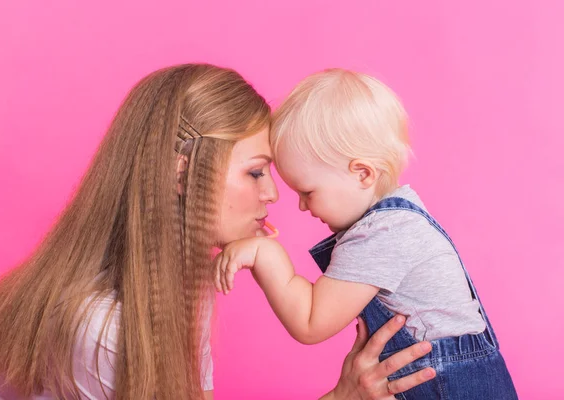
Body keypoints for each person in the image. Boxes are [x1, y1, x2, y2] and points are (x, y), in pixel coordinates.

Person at [0, 64, 435, 400]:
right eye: (255, 172)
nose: (274, 194)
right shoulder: (104, 324)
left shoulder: (180, 288)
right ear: (182, 172)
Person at [215, 68, 517, 399]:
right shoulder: (396, 220)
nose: (301, 206)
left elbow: (311, 321)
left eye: (308, 192)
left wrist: (264, 254)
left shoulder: (382, 233)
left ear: (362, 174)